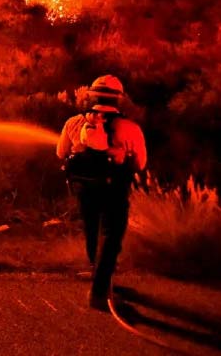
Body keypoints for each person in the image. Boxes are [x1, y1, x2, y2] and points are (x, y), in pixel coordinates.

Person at [56, 74, 147, 311]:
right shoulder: (130, 127)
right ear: (118, 99)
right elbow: (140, 164)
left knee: (92, 229)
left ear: (91, 95)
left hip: (83, 188)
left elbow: (60, 153)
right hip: (113, 189)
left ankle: (101, 281)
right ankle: (98, 293)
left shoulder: (74, 123)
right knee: (111, 237)